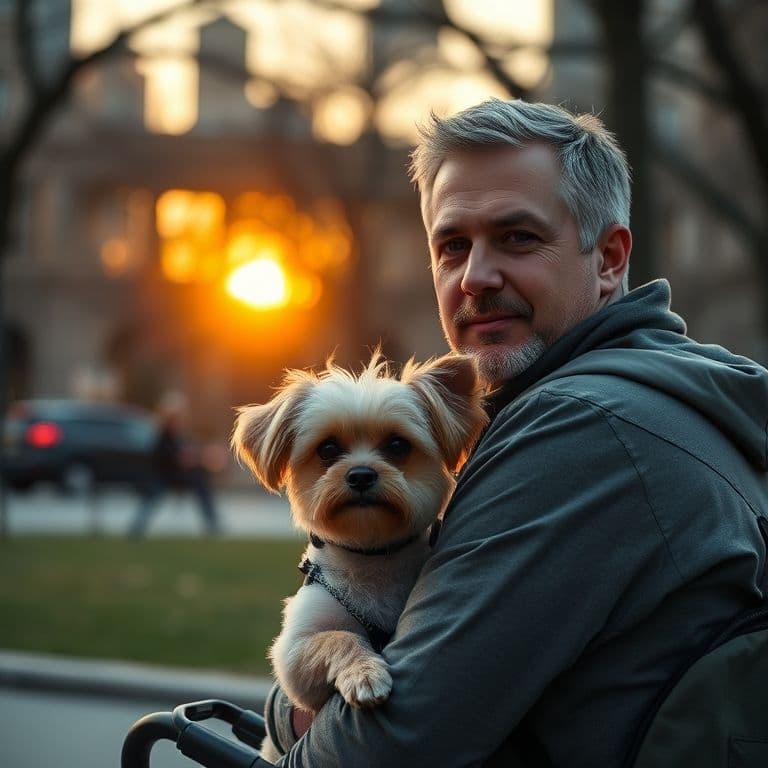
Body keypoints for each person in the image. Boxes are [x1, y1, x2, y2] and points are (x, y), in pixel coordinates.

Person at [262, 99, 768, 767]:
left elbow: (399, 741)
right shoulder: (669, 390)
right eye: (452, 246)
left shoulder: (583, 429)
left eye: (518, 238)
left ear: (610, 258)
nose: (476, 277)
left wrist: (285, 721)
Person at [130, 391, 220, 536]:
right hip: (161, 477)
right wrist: (199, 458)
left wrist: (199, 456)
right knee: (152, 498)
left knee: (200, 482)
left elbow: (187, 452)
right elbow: (178, 459)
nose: (178, 419)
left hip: (174, 476)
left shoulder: (178, 434)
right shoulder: (163, 436)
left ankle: (212, 524)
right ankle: (137, 529)